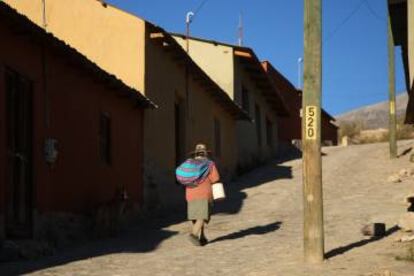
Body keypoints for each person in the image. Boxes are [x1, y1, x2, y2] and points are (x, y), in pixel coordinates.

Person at [178, 143, 220, 246]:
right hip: (204, 193)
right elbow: (216, 178)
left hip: (190, 194)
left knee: (195, 216)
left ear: (195, 153)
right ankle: (193, 234)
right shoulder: (209, 164)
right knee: (202, 216)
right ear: (205, 153)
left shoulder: (189, 163)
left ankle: (202, 237)